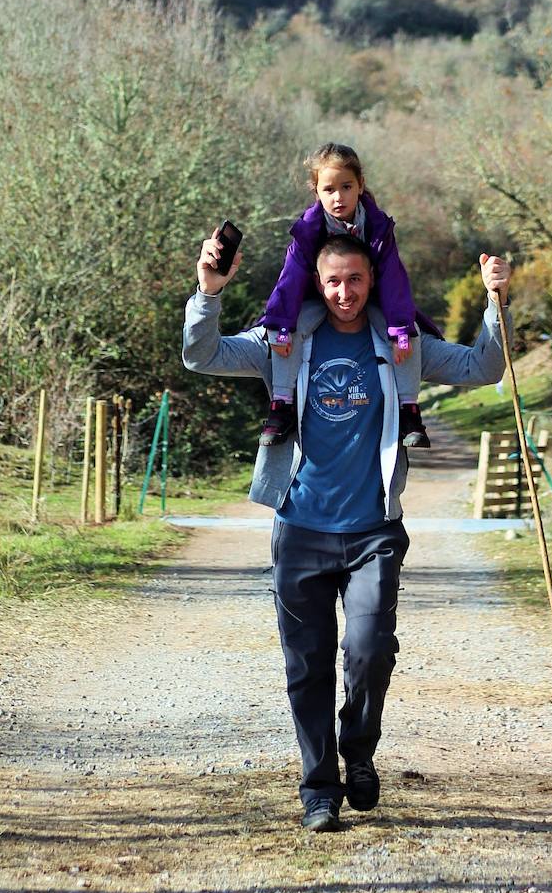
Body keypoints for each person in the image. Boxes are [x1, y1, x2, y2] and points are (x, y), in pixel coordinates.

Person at [182, 226, 512, 833]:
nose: (344, 292)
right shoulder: (285, 344)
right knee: (306, 665)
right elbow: (202, 355)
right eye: (332, 280)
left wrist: (496, 303)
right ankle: (319, 789)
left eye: (355, 279)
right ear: (316, 282)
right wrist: (209, 290)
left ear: (372, 282)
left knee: (367, 652)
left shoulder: (402, 343)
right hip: (301, 528)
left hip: (373, 532)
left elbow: (484, 368)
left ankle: (358, 754)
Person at [257, 142, 435, 451]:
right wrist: (281, 323)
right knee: (287, 331)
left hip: (371, 298)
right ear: (317, 193)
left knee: (410, 334)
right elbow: (291, 277)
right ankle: (281, 406)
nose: (338, 197)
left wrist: (399, 327)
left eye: (346, 187)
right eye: (329, 190)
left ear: (360, 186)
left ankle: (410, 411)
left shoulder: (378, 227)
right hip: (317, 298)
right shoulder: (309, 230)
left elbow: (393, 278)